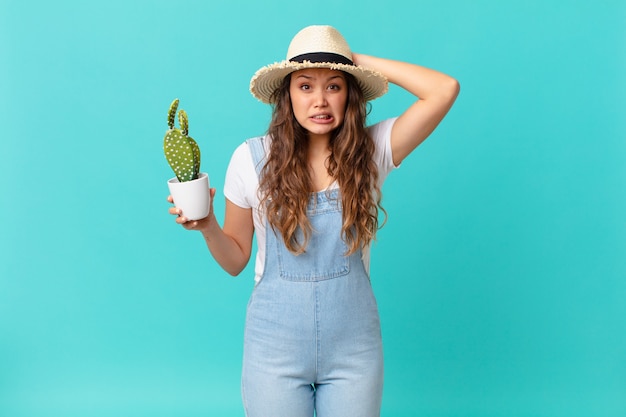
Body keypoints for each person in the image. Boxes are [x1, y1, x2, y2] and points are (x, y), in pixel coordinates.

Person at [168, 25, 459, 417]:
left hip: (354, 352)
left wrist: (357, 64)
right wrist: (206, 227)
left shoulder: (370, 152)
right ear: (286, 94)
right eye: (305, 86)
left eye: (334, 86)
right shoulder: (250, 160)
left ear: (349, 94)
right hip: (274, 352)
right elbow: (236, 258)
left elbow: (444, 89)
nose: (320, 100)